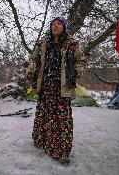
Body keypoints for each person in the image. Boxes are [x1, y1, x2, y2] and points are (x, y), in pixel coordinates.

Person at [26, 17, 86, 164]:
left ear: (64, 27)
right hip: (46, 85)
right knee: (44, 113)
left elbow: (81, 61)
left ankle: (62, 150)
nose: (55, 26)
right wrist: (31, 68)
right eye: (53, 24)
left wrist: (77, 72)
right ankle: (41, 140)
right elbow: (33, 59)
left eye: (59, 24)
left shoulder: (71, 44)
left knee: (62, 118)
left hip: (63, 86)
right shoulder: (42, 43)